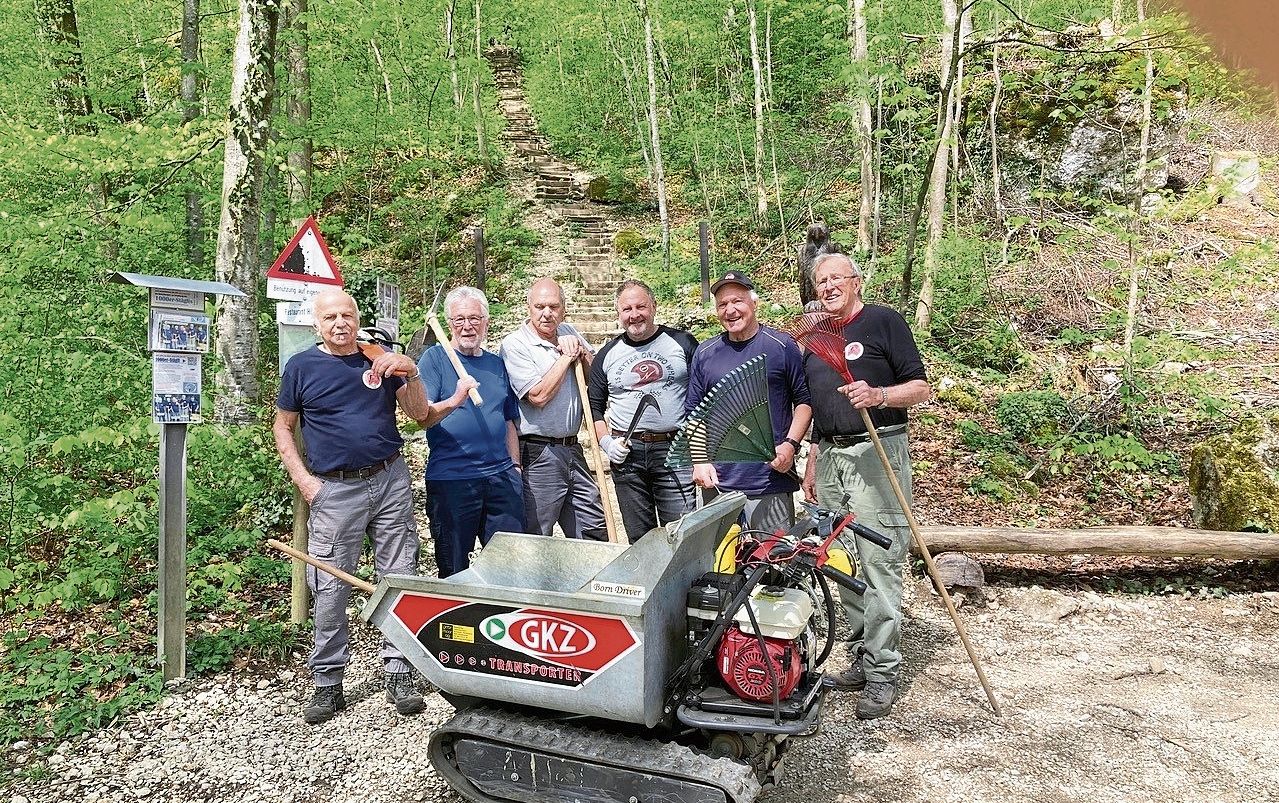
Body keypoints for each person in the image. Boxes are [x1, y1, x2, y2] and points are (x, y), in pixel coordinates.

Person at [273, 287, 430, 725]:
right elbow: (283, 427)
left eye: (347, 315)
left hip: (389, 479)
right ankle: (328, 681)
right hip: (334, 490)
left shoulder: (377, 357)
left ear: (358, 318)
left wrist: (411, 370)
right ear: (316, 324)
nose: (340, 323)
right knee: (329, 585)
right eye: (330, 317)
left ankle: (399, 671)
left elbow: (419, 413)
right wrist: (305, 482)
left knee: (399, 574)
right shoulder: (301, 367)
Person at [799, 252, 930, 720]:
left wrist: (879, 395)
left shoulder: (882, 321)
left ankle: (883, 672)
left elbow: (921, 388)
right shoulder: (817, 336)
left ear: (856, 281)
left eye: (836, 278)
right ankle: (861, 656)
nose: (828, 286)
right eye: (820, 281)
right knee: (842, 561)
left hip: (877, 451)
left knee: (879, 559)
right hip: (830, 455)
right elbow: (817, 405)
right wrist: (813, 458)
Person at [686, 270, 812, 533]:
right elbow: (695, 412)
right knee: (720, 557)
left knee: (773, 555)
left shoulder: (781, 346)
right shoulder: (705, 353)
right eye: (722, 304)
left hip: (770, 480)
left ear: (754, 304)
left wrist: (790, 445)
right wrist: (699, 460)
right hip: (718, 482)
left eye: (737, 301)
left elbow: (804, 401)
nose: (730, 310)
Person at [415, 286, 523, 577]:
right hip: (452, 479)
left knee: (509, 567)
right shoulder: (434, 359)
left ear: (486, 322)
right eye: (459, 319)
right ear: (449, 324)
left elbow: (508, 419)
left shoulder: (495, 364)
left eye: (474, 318)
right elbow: (423, 417)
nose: (467, 326)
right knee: (453, 568)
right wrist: (455, 398)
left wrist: (515, 467)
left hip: (502, 478)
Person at [587, 279, 698, 543]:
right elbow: (594, 409)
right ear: (618, 313)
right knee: (640, 540)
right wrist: (606, 442)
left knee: (680, 534)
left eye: (641, 307)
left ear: (654, 307)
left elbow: (702, 394)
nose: (634, 315)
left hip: (675, 450)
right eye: (627, 309)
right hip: (627, 455)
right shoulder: (607, 354)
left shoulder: (682, 343)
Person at [500, 278, 608, 541]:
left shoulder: (569, 331)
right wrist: (565, 357)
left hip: (573, 448)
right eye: (540, 307)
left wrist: (582, 352)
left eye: (553, 306)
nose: (546, 313)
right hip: (538, 452)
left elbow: (595, 379)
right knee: (537, 532)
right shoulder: (515, 344)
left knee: (593, 526)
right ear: (529, 307)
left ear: (564, 308)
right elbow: (537, 396)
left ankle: (591, 569)